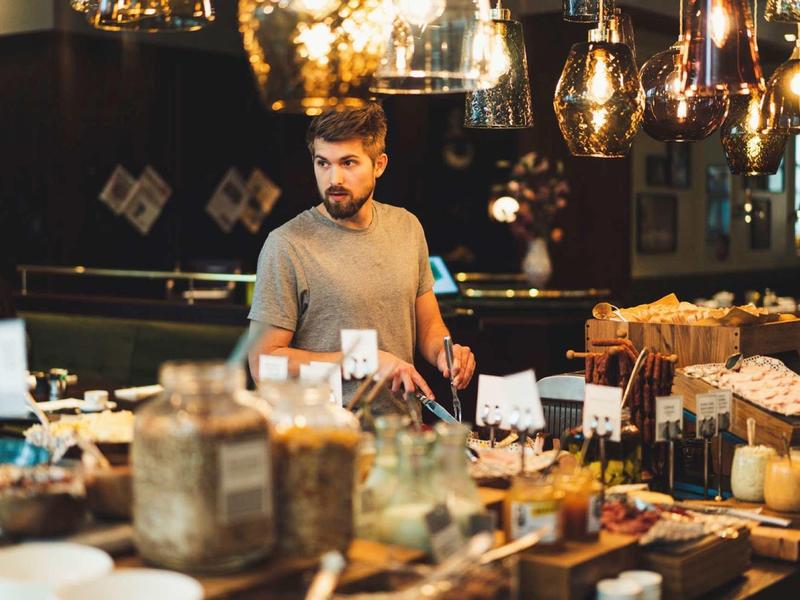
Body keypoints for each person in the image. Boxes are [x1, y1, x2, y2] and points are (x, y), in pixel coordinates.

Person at [247, 103, 475, 405]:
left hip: (399, 433)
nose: (333, 179)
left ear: (379, 165)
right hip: (324, 439)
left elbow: (429, 326)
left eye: (348, 163)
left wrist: (447, 353)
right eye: (323, 163)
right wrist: (362, 362)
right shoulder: (286, 245)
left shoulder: (407, 227)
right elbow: (263, 365)